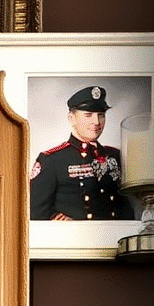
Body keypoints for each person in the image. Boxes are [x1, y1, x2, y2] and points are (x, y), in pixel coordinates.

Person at [30, 86, 134, 220]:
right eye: (88, 115)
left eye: (101, 115)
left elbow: (128, 205)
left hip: (116, 237)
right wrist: (56, 219)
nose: (96, 122)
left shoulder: (116, 156)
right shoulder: (52, 159)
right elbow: (35, 212)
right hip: (75, 238)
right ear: (71, 118)